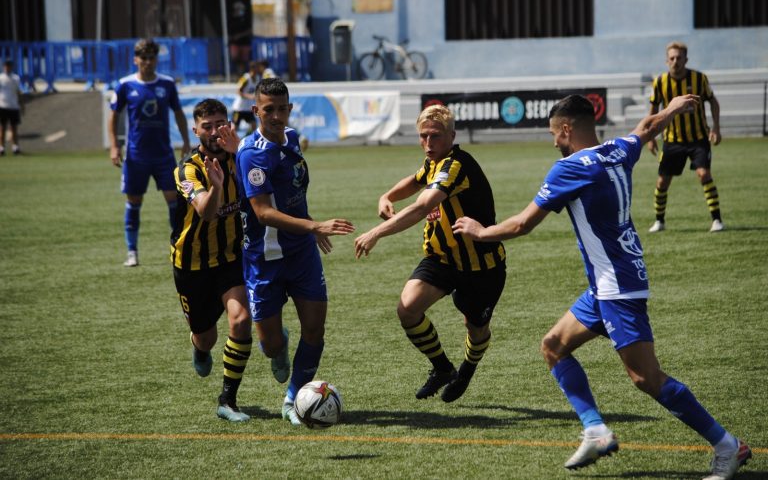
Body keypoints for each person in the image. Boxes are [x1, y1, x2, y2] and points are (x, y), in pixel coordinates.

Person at [452, 94, 751, 479]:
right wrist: (673, 108)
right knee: (554, 346)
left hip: (617, 287)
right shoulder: (616, 150)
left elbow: (524, 224)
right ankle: (595, 430)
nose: (554, 143)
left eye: (554, 134)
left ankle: (728, 446)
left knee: (647, 379)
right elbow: (646, 129)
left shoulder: (569, 168)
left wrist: (481, 232)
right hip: (612, 281)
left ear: (565, 129)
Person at [221, 77, 354, 426]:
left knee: (315, 331)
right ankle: (278, 348)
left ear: (290, 108)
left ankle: (294, 398)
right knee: (272, 345)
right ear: (255, 111)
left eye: (283, 109)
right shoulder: (251, 153)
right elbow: (263, 212)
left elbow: (291, 190)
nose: (277, 116)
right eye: (269, 110)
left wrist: (307, 224)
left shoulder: (292, 138)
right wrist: (315, 226)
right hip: (264, 261)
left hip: (301, 256)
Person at [355, 104, 506, 403]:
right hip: (442, 259)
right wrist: (387, 195)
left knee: (476, 330)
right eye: (423, 136)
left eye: (435, 136)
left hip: (481, 266)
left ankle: (466, 369)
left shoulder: (455, 165)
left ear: (452, 135)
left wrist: (375, 232)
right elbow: (415, 180)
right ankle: (442, 368)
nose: (428, 143)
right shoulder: (434, 162)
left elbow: (423, 206)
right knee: (407, 308)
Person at [171, 99, 252, 423]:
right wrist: (217, 187)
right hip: (191, 264)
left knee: (241, 319)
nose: (215, 131)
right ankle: (200, 347)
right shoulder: (187, 169)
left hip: (231, 257)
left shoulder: (242, 157)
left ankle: (228, 400)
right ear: (196, 130)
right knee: (206, 337)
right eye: (207, 126)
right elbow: (205, 210)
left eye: (221, 124)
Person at [109, 38, 191, 267]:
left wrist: (185, 141)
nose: (147, 62)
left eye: (151, 57)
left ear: (156, 59)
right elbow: (114, 116)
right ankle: (132, 252)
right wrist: (115, 145)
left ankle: (179, 247)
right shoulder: (125, 85)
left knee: (175, 201)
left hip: (164, 155)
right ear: (136, 60)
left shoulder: (166, 84)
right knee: (134, 200)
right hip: (136, 156)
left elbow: (178, 113)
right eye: (143, 58)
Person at [647, 41, 724, 233]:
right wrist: (650, 137)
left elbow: (713, 102)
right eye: (672, 58)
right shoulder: (659, 82)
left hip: (698, 138)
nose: (675, 61)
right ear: (667, 61)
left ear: (685, 59)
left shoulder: (699, 79)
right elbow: (653, 110)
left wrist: (716, 127)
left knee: (703, 174)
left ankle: (717, 220)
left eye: (679, 58)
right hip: (672, 140)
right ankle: (659, 221)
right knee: (662, 181)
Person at [232, 60, 274, 135]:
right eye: (257, 68)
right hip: (239, 108)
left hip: (248, 108)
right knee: (235, 128)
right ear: (252, 69)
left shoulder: (257, 78)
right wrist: (249, 96)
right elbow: (238, 91)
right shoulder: (246, 78)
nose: (258, 70)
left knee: (254, 125)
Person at [0, 60, 24, 156]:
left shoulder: (16, 78)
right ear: (3, 67)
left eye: (9, 66)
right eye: (6, 66)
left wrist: (22, 104)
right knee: (2, 127)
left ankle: (15, 147)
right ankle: (1, 148)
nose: (7, 68)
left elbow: (18, 92)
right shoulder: (1, 78)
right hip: (2, 105)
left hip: (13, 106)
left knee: (14, 128)